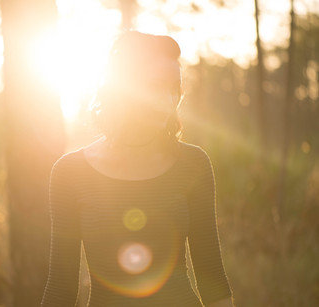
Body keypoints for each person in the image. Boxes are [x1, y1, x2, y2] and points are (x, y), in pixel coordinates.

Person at [41, 31, 234, 307]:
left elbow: (212, 280)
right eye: (156, 86)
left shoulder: (193, 164)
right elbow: (61, 288)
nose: (168, 100)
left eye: (174, 89)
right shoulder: (70, 173)